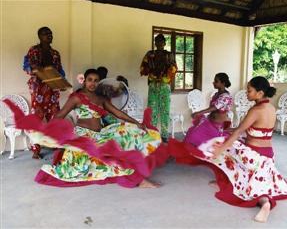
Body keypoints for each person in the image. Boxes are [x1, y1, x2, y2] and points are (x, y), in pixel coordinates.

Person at [5, 69, 168, 188]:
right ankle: (134, 178)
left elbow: (118, 113)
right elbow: (60, 114)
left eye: (96, 80)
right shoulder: (76, 97)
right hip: (83, 135)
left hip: (101, 134)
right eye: (90, 79)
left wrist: (137, 123)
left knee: (129, 138)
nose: (92, 83)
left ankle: (136, 177)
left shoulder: (101, 98)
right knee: (80, 165)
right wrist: (47, 129)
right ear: (85, 81)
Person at [172, 76, 287, 223]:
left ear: (259, 93)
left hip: (253, 156)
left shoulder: (256, 110)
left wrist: (220, 148)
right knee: (253, 177)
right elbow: (255, 131)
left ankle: (264, 203)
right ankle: (232, 184)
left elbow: (239, 131)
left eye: (249, 90)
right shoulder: (270, 108)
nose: (247, 93)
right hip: (268, 156)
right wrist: (231, 131)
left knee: (220, 146)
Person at [23, 26, 65, 159]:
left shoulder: (56, 53)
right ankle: (36, 149)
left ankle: (57, 146)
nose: (49, 35)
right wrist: (37, 70)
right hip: (38, 89)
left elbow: (60, 71)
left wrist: (62, 83)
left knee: (56, 117)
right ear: (39, 36)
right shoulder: (34, 50)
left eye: (50, 33)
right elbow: (28, 67)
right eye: (45, 33)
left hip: (52, 89)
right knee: (37, 119)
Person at [140, 34, 177, 143]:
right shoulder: (150, 54)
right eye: (157, 41)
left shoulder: (169, 55)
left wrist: (166, 72)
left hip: (165, 85)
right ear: (155, 43)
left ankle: (165, 135)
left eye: (161, 41)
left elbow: (174, 69)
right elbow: (143, 68)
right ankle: (152, 133)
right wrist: (150, 68)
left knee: (165, 110)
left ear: (165, 43)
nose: (159, 43)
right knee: (152, 110)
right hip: (153, 85)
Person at [184, 72, 233, 147]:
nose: (213, 82)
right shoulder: (216, 94)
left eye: (216, 81)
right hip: (210, 122)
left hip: (219, 126)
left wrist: (199, 113)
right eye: (214, 80)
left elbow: (214, 108)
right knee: (192, 135)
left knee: (211, 145)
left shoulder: (226, 96)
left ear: (223, 83)